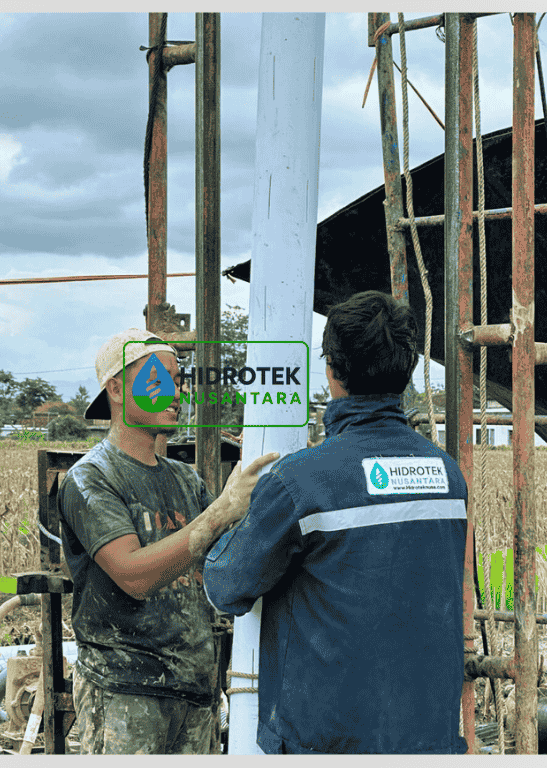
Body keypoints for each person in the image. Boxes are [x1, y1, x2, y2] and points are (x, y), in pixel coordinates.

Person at [202, 291, 469, 755]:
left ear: (331, 370)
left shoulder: (299, 482)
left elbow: (226, 587)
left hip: (325, 743)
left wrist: (228, 514)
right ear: (407, 371)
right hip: (430, 740)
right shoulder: (447, 475)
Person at [57, 328, 279, 755]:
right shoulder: (92, 478)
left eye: (179, 381)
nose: (177, 392)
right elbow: (133, 575)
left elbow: (227, 562)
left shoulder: (184, 480)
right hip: (125, 690)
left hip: (194, 690)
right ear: (117, 389)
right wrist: (219, 513)